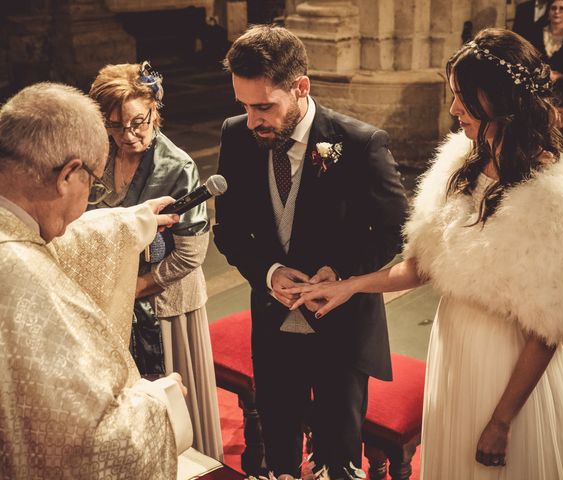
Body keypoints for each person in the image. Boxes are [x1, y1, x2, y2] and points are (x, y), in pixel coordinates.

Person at [289, 28, 563, 479]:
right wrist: (350, 286)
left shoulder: (556, 193)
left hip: (508, 368)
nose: (454, 110)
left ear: (500, 100)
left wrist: (501, 421)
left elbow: (550, 328)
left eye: (463, 97)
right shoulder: (460, 163)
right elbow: (423, 265)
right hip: (454, 345)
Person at [213, 25, 408, 477]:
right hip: (273, 322)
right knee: (279, 449)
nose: (254, 119)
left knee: (338, 456)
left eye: (264, 106)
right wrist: (269, 271)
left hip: (341, 327)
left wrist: (340, 271)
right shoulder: (237, 135)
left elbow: (394, 230)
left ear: (301, 87)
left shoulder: (360, 144)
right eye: (244, 105)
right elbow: (231, 230)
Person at [0, 82, 193, 478]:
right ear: (69, 173)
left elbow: (46, 238)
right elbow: (86, 445)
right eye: (93, 182)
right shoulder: (25, 281)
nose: (91, 197)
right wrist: (159, 402)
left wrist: (131, 222)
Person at [88, 62, 223, 460]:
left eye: (137, 123)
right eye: (114, 126)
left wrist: (134, 288)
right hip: (115, 303)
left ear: (154, 109)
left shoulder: (176, 167)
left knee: (174, 410)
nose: (128, 136)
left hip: (165, 308)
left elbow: (190, 254)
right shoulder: (102, 156)